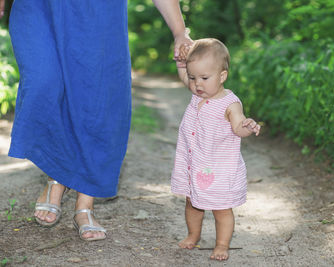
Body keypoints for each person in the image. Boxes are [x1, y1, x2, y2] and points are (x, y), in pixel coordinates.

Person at [0, 0, 192, 241]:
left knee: (96, 97)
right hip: (39, 6)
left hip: (99, 12)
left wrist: (179, 32)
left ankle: (84, 202)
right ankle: (58, 174)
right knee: (43, 82)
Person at [171, 38, 261, 260]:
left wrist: (247, 126)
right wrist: (181, 61)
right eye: (193, 78)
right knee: (192, 202)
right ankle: (193, 235)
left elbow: (238, 127)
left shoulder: (230, 104)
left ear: (222, 76)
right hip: (194, 164)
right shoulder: (197, 93)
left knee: (221, 208)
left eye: (203, 78)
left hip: (219, 169)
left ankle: (222, 244)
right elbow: (184, 74)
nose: (196, 84)